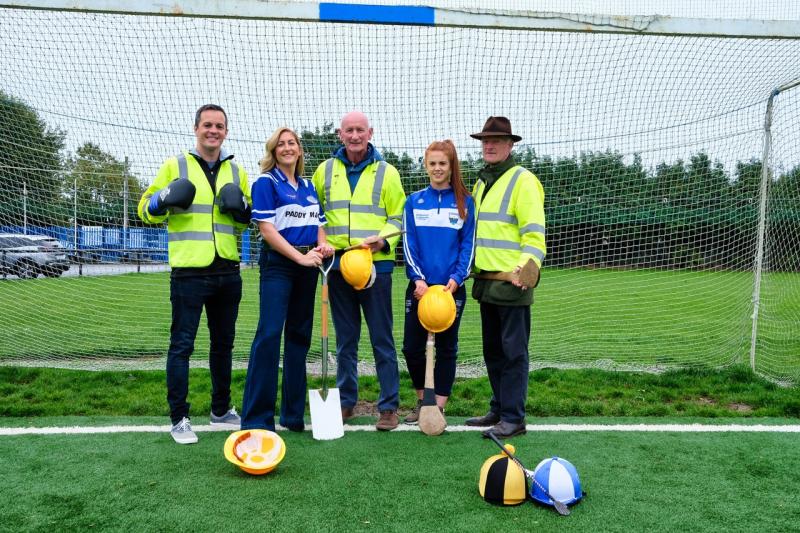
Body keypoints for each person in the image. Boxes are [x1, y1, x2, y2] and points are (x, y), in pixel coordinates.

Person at [138, 104, 251, 444]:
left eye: (219, 126)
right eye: (207, 125)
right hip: (188, 272)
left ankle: (220, 409)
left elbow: (246, 222)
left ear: (226, 131)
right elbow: (145, 210)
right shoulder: (176, 165)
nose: (212, 131)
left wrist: (242, 207)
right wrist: (163, 199)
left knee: (223, 346)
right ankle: (180, 419)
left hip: (228, 270)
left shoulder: (237, 171)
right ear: (196, 128)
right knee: (182, 346)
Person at [311, 111, 406, 431]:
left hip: (375, 266)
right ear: (340, 134)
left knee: (382, 338)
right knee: (345, 339)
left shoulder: (387, 172)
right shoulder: (324, 171)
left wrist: (383, 240)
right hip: (337, 266)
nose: (355, 135)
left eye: (360, 130)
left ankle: (389, 406)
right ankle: (346, 402)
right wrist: (322, 243)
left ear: (370, 133)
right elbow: (316, 215)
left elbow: (398, 217)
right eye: (349, 130)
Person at [241, 127, 334, 432]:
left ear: (299, 150)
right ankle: (257, 418)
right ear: (273, 151)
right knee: (269, 336)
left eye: (291, 143)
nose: (287, 147)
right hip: (280, 265)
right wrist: (300, 257)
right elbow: (267, 230)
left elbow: (318, 223)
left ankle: (293, 417)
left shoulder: (308, 185)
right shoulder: (266, 183)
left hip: (308, 265)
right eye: (280, 144)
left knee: (299, 339)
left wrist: (322, 245)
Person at [465, 116, 546, 439]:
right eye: (485, 140)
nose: (489, 145)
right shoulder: (482, 182)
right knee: (493, 351)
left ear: (511, 144)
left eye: (497, 140)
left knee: (513, 353)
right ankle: (499, 408)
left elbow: (534, 231)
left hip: (512, 284)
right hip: (487, 283)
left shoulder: (522, 180)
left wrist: (529, 268)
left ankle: (514, 417)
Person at [401, 140, 475, 424]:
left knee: (447, 348)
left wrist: (456, 280)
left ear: (451, 165)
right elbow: (409, 244)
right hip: (420, 287)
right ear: (426, 165)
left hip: (450, 289)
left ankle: (439, 407)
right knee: (411, 346)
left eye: (442, 163)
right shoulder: (414, 201)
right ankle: (423, 402)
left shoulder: (465, 203)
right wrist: (417, 278)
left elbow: (468, 246)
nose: (437, 168)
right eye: (432, 163)